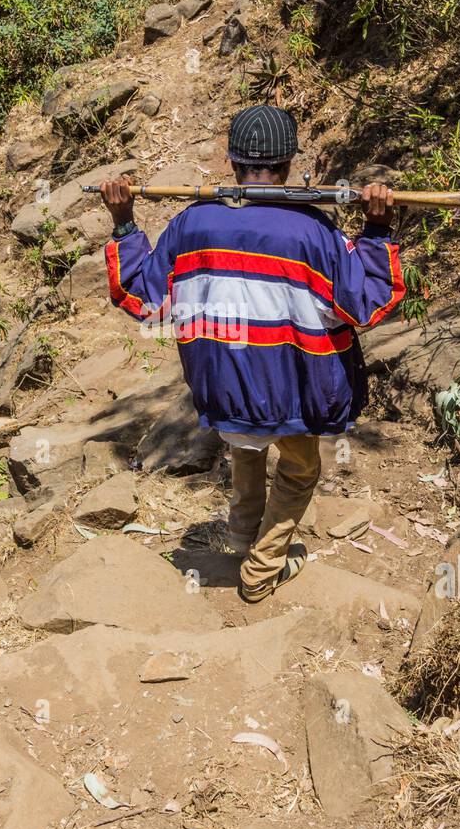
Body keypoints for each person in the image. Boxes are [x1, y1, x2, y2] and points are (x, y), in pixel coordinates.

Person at [100, 104, 405, 603]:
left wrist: (123, 224)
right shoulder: (315, 233)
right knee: (301, 467)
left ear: (230, 162)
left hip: (223, 387)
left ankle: (241, 536)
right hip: (293, 391)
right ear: (287, 167)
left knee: (245, 445)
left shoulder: (189, 225)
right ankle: (262, 567)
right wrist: (377, 232)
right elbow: (367, 304)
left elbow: (142, 298)